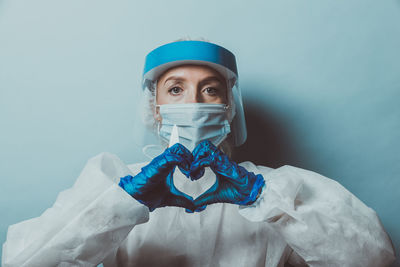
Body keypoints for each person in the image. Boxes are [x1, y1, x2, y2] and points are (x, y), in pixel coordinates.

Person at [2, 40, 396, 267]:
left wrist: (263, 198)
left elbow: (376, 261)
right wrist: (120, 205)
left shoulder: (279, 190)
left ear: (228, 107)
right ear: (153, 108)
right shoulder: (115, 188)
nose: (194, 103)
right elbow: (23, 261)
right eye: (175, 89)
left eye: (210, 89)